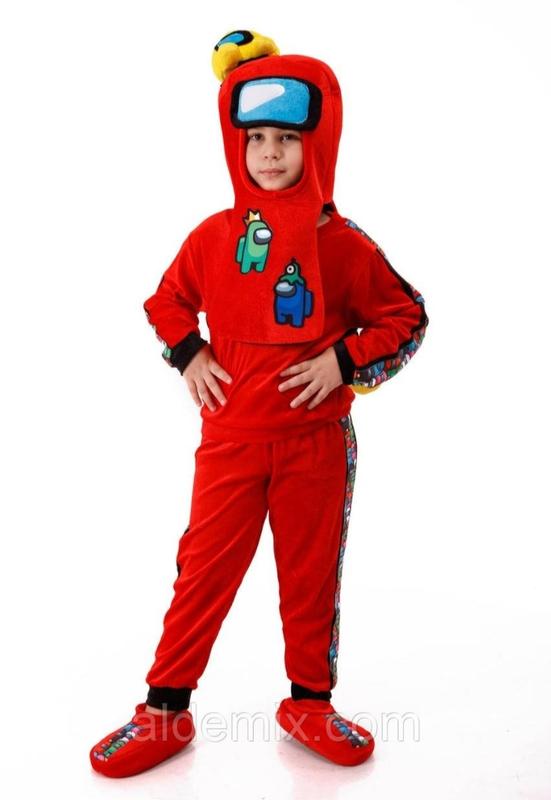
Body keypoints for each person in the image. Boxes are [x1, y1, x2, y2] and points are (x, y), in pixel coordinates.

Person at [89, 29, 429, 778]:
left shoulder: (344, 245)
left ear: (318, 142)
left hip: (316, 447)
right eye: (255, 138)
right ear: (234, 144)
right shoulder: (214, 238)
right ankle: (164, 709)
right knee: (201, 574)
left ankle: (310, 702)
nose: (270, 153)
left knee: (310, 577)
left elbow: (407, 317)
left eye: (287, 138)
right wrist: (189, 352)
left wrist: (344, 361)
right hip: (231, 443)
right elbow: (165, 301)